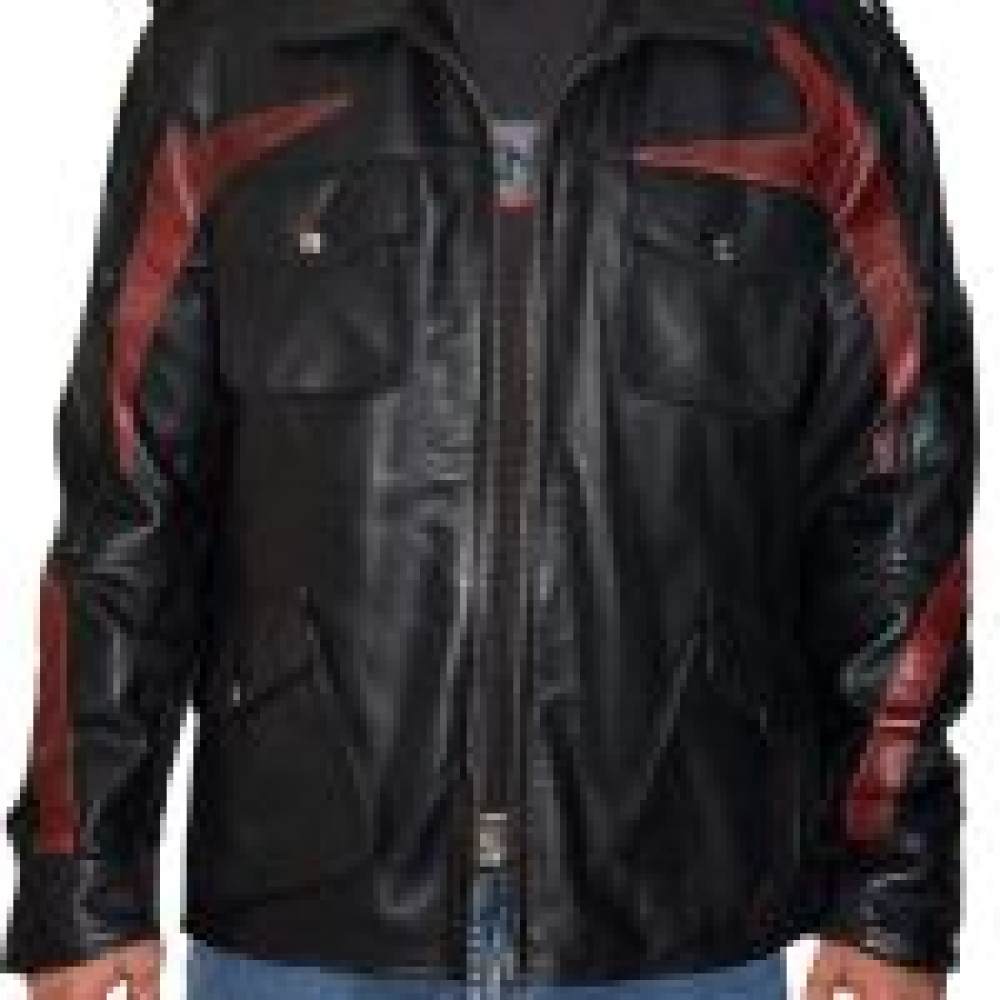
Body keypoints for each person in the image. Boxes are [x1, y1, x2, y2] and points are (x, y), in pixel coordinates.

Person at [2, 0, 976, 997]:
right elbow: (129, 496)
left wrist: (891, 887)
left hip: (676, 912)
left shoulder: (812, 57)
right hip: (305, 913)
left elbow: (897, 502)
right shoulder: (230, 47)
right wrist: (82, 876)